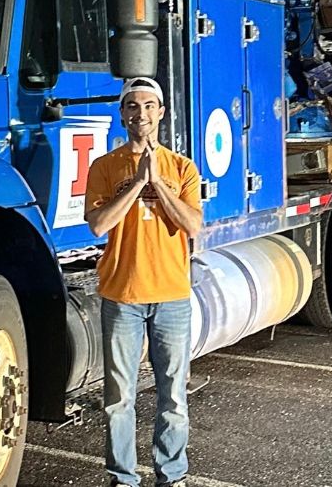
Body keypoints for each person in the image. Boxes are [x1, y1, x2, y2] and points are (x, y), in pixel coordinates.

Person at [85, 76, 203, 487]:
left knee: (173, 396)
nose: (141, 113)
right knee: (119, 399)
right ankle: (123, 478)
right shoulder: (104, 167)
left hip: (172, 296)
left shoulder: (182, 167)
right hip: (121, 296)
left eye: (149, 105)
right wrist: (136, 181)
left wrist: (156, 183)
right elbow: (99, 225)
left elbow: (192, 225)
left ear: (162, 112)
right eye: (133, 106)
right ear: (122, 114)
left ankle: (172, 476)